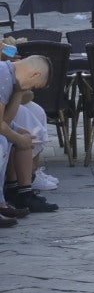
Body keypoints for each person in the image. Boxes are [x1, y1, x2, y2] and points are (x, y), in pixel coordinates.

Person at [1, 56, 58, 216]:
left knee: (23, 133)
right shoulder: (3, 75)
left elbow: (6, 120)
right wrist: (19, 139)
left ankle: (18, 191)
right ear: (34, 74)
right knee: (9, 139)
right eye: (33, 85)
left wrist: (19, 91)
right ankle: (4, 200)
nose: (30, 89)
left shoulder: (8, 75)